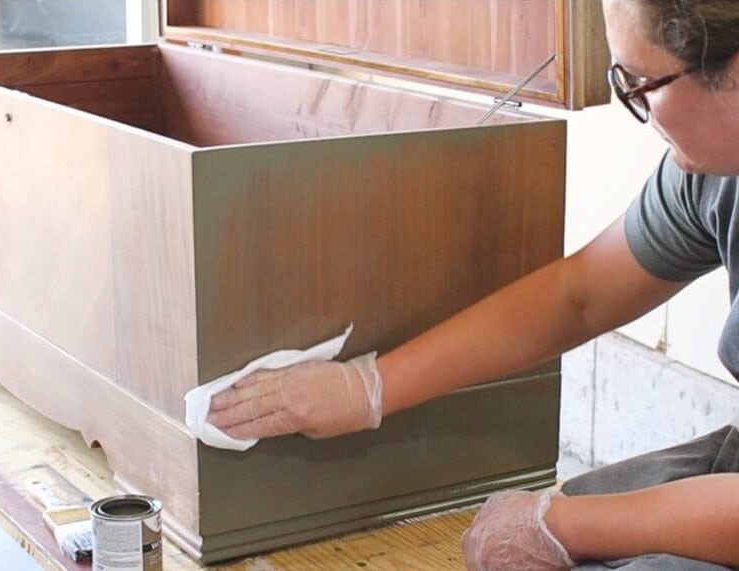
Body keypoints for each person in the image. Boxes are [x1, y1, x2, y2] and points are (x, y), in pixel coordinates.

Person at [207, 1, 739, 568]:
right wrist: (365, 389)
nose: (638, 110)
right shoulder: (711, 180)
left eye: (640, 83)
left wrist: (560, 525)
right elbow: (579, 297)